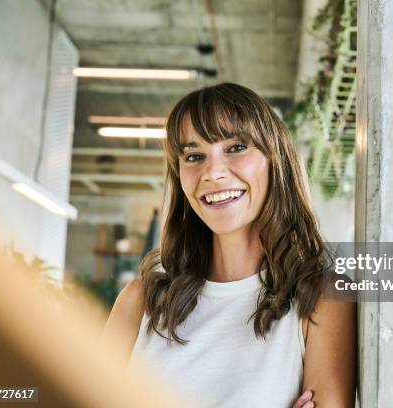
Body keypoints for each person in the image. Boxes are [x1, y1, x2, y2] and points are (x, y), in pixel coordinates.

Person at [103, 83, 356, 407]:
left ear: (274, 160)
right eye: (194, 156)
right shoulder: (139, 303)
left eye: (236, 148)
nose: (213, 172)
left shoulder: (323, 299)